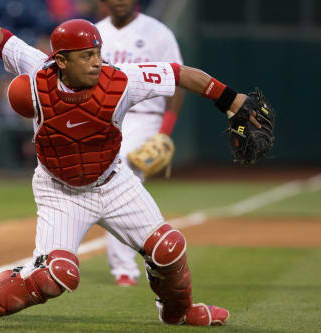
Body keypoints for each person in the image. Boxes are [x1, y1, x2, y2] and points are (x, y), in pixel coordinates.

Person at [0, 18, 255, 329]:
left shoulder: (122, 80)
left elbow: (180, 74)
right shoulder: (38, 70)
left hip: (114, 183)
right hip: (59, 191)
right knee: (55, 276)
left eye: (97, 53)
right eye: (86, 56)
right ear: (61, 61)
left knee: (169, 248)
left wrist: (230, 100)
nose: (97, 62)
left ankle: (180, 313)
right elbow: (4, 41)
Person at [96, 0, 185, 287]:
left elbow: (178, 82)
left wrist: (164, 132)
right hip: (104, 119)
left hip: (145, 117)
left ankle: (126, 269)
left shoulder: (158, 33)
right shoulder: (95, 33)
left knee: (120, 177)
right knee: (102, 186)